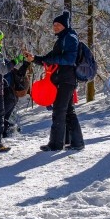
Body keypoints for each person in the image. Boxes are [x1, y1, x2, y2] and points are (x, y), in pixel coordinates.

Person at [34, 11, 85, 151]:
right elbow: (48, 58)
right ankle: (77, 142)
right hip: (63, 79)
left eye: (58, 24)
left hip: (66, 80)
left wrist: (51, 59)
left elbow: (69, 60)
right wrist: (34, 59)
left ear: (65, 25)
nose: (55, 27)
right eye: (54, 24)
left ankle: (55, 144)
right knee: (68, 111)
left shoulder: (69, 38)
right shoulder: (62, 39)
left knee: (59, 111)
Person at [2, 51, 32, 137]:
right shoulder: (13, 71)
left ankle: (9, 131)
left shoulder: (3, 71)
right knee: (4, 117)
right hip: (14, 98)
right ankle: (6, 134)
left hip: (7, 96)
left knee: (0, 117)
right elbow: (21, 74)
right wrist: (26, 63)